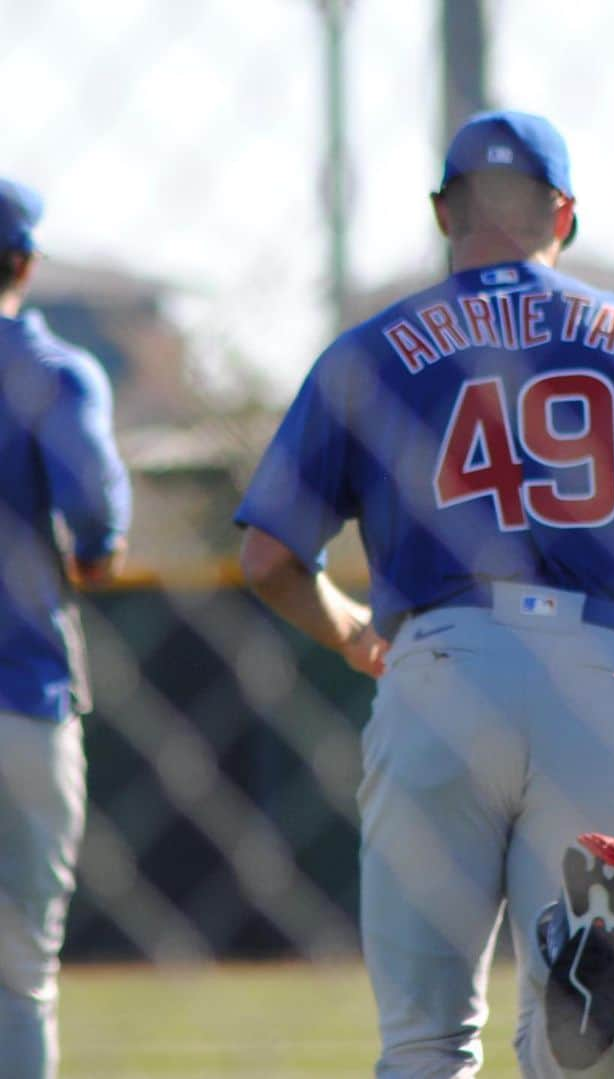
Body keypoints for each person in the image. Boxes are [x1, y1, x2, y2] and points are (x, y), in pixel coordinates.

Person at [237, 110, 614, 1077]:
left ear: (446, 213)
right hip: (610, 674)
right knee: (589, 1052)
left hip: (444, 667)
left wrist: (355, 631)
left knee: (425, 1042)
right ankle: (571, 1007)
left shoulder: (371, 351)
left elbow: (271, 555)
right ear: (563, 212)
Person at [0, 178, 131, 1079]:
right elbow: (97, 535)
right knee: (20, 976)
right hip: (20, 695)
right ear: (28, 260)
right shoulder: (51, 371)